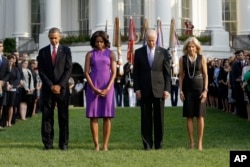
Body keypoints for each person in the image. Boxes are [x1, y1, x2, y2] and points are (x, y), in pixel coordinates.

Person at [133, 29, 171, 150]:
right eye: (149, 41)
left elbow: (167, 73)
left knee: (159, 119)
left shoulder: (163, 52)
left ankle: (159, 144)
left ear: (156, 40)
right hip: (144, 90)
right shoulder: (139, 52)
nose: (151, 43)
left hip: (159, 89)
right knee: (146, 118)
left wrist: (167, 89)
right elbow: (136, 73)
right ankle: (147, 144)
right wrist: (137, 89)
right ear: (146, 40)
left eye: (153, 41)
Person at [37, 27, 72, 150]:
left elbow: (68, 70)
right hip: (48, 89)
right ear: (49, 38)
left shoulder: (66, 50)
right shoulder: (43, 52)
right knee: (47, 117)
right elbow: (41, 71)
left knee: (63, 117)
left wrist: (60, 85)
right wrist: (51, 85)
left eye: (55, 38)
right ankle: (48, 143)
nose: (53, 40)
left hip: (62, 90)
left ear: (60, 37)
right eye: (51, 38)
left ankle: (63, 144)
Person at [84, 30, 116, 151]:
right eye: (97, 42)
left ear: (105, 42)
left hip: (108, 86)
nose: (99, 44)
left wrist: (108, 88)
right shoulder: (90, 54)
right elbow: (86, 72)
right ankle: (96, 144)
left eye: (101, 42)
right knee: (94, 116)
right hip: (93, 87)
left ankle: (105, 145)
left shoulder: (111, 54)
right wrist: (93, 88)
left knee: (107, 116)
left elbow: (114, 73)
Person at [179, 37, 208, 151]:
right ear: (186, 48)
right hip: (187, 89)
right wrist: (181, 91)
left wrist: (205, 91)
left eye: (193, 47)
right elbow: (181, 75)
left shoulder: (202, 58)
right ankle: (192, 142)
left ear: (197, 48)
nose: (191, 49)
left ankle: (200, 142)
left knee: (200, 116)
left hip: (200, 89)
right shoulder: (183, 59)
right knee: (189, 116)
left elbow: (206, 76)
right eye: (189, 47)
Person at [0, 41, 10, 129]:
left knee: (1, 106)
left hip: (2, 87)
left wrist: (3, 81)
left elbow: (8, 73)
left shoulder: (5, 60)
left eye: (1, 46)